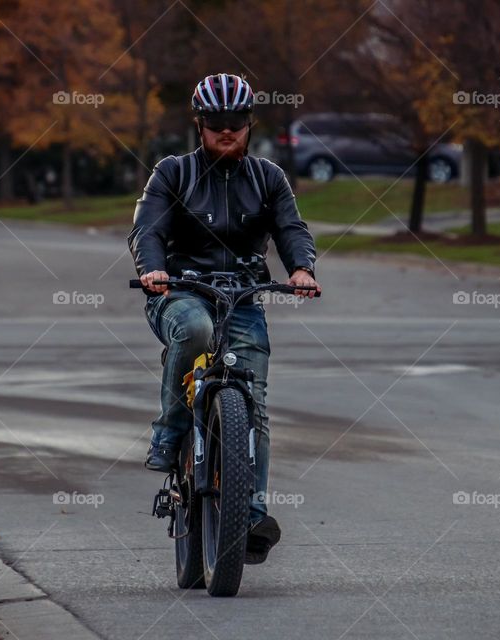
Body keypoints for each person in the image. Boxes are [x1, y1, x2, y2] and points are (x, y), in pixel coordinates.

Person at [127, 73, 320, 563]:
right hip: (181, 291)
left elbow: (291, 228)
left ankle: (251, 511)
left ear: (250, 123)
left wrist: (301, 269)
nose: (226, 130)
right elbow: (146, 229)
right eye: (216, 122)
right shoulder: (172, 173)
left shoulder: (269, 178)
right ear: (200, 123)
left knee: (253, 401)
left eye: (235, 121)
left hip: (245, 295)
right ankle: (170, 431)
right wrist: (153, 270)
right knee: (195, 331)